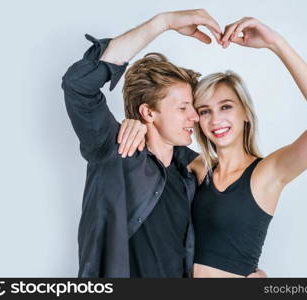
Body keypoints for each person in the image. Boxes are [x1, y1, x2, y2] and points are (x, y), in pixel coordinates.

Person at [119, 16, 307, 278]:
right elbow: (157, 132)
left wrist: (276, 44)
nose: (216, 120)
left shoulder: (267, 173)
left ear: (245, 113)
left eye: (226, 107)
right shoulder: (194, 166)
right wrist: (134, 124)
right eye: (205, 111)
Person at [62, 8, 263, 278]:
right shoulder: (115, 150)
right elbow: (78, 85)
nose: (195, 117)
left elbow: (223, 235)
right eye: (183, 108)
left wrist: (250, 275)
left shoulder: (191, 173)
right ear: (148, 113)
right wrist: (163, 23)